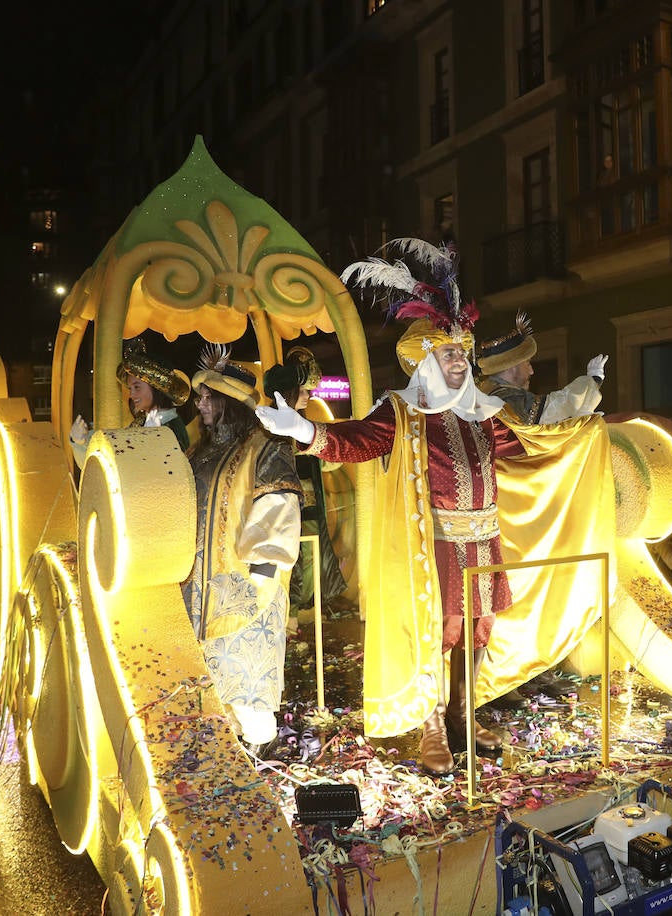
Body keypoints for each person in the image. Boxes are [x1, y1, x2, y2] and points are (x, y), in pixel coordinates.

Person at [257, 237, 615, 775]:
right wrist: (307, 432)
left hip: (485, 539)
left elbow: (532, 443)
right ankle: (432, 723)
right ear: (426, 359)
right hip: (436, 544)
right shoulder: (404, 413)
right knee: (441, 632)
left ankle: (464, 715)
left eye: (461, 354)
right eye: (448, 354)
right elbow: (359, 441)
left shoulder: (485, 413)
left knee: (479, 628)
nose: (458, 362)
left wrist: (582, 425)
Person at [181, 345, 303, 749]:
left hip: (244, 583)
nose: (200, 404)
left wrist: (262, 574)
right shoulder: (200, 449)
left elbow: (279, 506)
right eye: (200, 396)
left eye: (208, 397)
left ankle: (259, 749)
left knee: (245, 679)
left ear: (230, 403)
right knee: (204, 673)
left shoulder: (264, 446)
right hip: (196, 583)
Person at [261, 346, 350, 626]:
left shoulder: (302, 425)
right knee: (292, 562)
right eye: (303, 390)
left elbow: (320, 461)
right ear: (289, 392)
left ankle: (300, 611)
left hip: (307, 510)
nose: (309, 394)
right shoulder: (270, 427)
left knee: (311, 560)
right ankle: (288, 614)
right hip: (285, 511)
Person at [70, 339, 192, 466]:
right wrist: (82, 442)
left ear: (156, 388)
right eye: (130, 388)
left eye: (137, 387)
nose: (132, 395)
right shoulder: (141, 423)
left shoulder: (171, 429)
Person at [475, 310, 607, 424]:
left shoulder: (485, 391)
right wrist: (592, 381)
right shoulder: (507, 398)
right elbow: (553, 409)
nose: (531, 371)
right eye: (527, 363)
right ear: (512, 366)